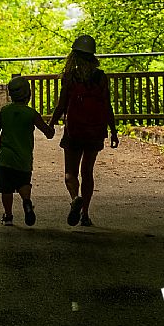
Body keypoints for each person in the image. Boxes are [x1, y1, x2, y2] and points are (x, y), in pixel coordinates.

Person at [49, 35, 118, 227]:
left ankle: (74, 199)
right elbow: (107, 106)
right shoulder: (100, 77)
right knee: (87, 172)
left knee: (70, 173)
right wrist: (113, 131)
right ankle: (85, 214)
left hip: (74, 131)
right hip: (95, 131)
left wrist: (51, 124)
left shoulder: (70, 78)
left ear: (74, 55)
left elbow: (61, 105)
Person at [0, 75, 55, 227]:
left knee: (6, 189)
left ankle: (8, 216)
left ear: (11, 95)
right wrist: (51, 127)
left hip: (5, 158)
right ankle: (26, 202)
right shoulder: (31, 114)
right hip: (24, 159)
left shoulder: (5, 111)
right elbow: (48, 133)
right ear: (29, 95)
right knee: (23, 183)